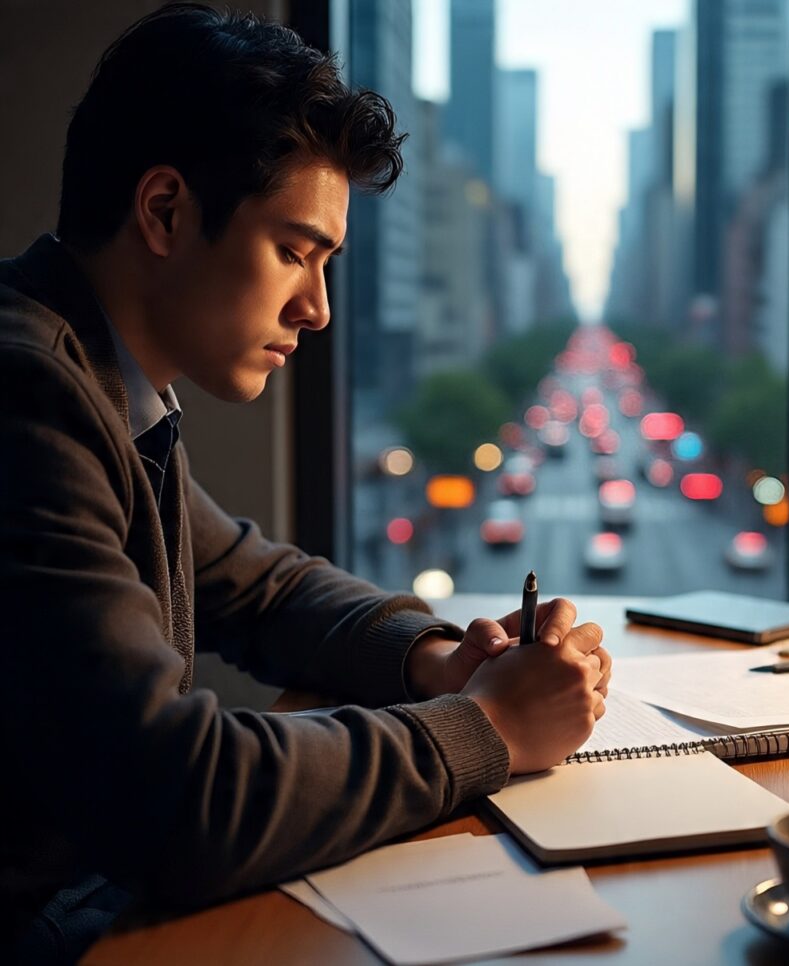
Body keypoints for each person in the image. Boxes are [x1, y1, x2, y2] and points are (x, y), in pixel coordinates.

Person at [0, 4, 611, 960]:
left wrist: (438, 660)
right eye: (294, 251)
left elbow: (264, 586)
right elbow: (179, 796)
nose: (317, 308)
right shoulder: (26, 392)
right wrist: (489, 723)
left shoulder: (109, 386)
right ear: (164, 210)